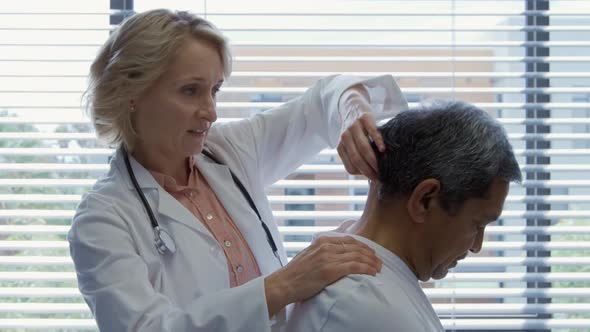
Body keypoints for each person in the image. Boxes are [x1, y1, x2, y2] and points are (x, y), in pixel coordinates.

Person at [67, 8, 408, 332]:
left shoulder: (228, 151)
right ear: (132, 94)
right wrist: (285, 284)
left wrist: (351, 110)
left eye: (214, 91)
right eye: (191, 91)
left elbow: (321, 102)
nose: (211, 112)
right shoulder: (102, 219)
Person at [285, 100, 522, 332]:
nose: (476, 246)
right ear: (425, 200)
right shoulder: (368, 307)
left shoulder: (359, 270)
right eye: (477, 224)